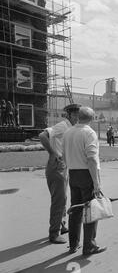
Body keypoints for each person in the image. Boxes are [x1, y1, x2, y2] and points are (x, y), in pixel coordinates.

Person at [62, 107, 107, 256]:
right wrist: (96, 182)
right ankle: (89, 245)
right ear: (92, 118)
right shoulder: (89, 132)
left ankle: (73, 243)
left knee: (75, 209)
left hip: (73, 172)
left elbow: (64, 154)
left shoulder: (68, 132)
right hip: (86, 173)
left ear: (78, 117)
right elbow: (92, 158)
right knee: (91, 210)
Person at [39, 103, 80, 244]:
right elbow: (42, 135)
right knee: (59, 200)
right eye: (74, 114)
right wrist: (52, 153)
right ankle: (54, 233)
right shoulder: (63, 125)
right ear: (68, 115)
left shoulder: (71, 128)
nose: (77, 117)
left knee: (63, 198)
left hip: (64, 166)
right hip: (57, 166)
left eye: (78, 114)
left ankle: (61, 225)